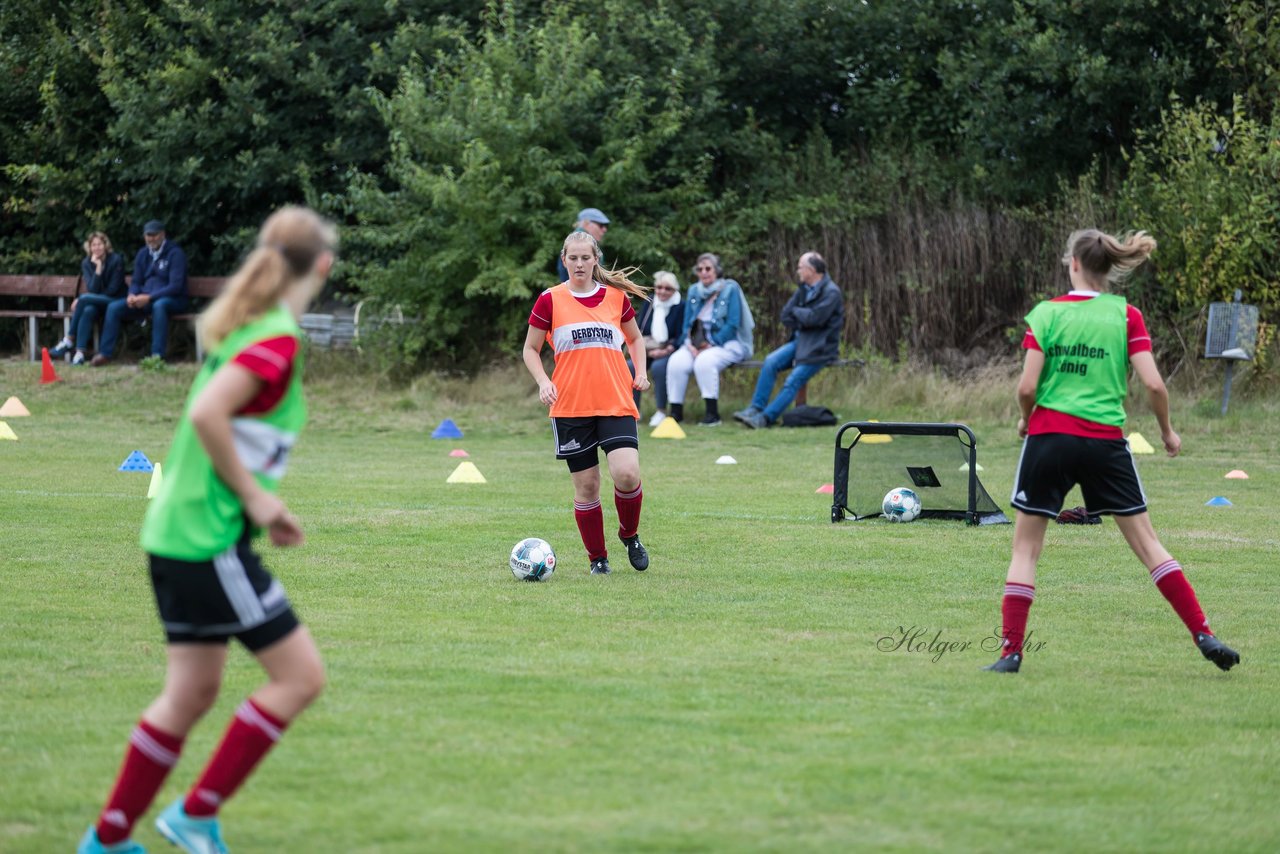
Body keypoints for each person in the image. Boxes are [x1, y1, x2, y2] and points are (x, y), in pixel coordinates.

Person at [78, 206, 336, 854]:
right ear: (323, 268)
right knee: (300, 678)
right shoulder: (273, 337)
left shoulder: (251, 326)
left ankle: (107, 841)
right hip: (206, 539)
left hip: (176, 533)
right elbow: (208, 415)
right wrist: (258, 501)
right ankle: (194, 816)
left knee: (191, 691)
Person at [985, 228, 1240, 674]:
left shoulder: (1046, 313)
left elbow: (1026, 387)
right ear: (1106, 267)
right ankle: (1203, 632)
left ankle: (1010, 653)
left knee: (1025, 552)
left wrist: (1027, 418)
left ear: (1074, 263)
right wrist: (1167, 432)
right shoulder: (1126, 315)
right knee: (1149, 546)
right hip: (1105, 441)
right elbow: (1155, 385)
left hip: (1050, 438)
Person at [524, 230, 652, 576]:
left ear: (596, 260)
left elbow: (636, 339)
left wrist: (640, 371)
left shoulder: (615, 298)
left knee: (626, 474)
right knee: (587, 485)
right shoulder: (549, 300)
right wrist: (543, 381)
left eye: (586, 257)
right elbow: (530, 349)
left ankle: (630, 535)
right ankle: (598, 559)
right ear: (564, 260)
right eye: (573, 258)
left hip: (615, 400)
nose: (579, 264)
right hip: (570, 407)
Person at [734, 252, 843, 429]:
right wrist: (803, 315)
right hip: (800, 343)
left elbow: (815, 318)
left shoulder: (832, 292)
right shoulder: (803, 290)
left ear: (812, 270)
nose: (798, 270)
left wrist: (799, 313)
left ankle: (766, 418)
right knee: (770, 361)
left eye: (800, 267)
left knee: (793, 381)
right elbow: (785, 315)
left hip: (819, 348)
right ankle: (755, 408)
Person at [664, 252, 754, 426]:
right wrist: (689, 344)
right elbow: (687, 323)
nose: (704, 272)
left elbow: (733, 324)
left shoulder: (730, 289)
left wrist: (710, 344)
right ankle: (675, 414)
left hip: (725, 342)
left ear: (716, 271)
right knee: (676, 362)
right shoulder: (693, 290)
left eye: (708, 268)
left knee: (704, 362)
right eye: (700, 269)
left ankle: (712, 416)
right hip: (696, 343)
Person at [91, 220, 190, 366]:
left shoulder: (175, 254)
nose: (151, 239)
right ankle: (105, 354)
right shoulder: (143, 254)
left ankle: (157, 357)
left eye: (154, 235)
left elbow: (175, 286)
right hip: (146, 300)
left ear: (163, 234)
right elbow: (136, 281)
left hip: (173, 300)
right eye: (148, 235)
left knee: (159, 305)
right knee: (114, 307)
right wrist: (132, 295)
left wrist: (149, 297)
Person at [49, 231, 126, 365]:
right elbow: (93, 289)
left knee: (83, 299)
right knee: (88, 310)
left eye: (100, 244)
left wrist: (88, 297)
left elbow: (113, 290)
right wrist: (98, 268)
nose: (97, 248)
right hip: (97, 303)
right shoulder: (87, 263)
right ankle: (79, 354)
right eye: (93, 245)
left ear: (105, 245)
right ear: (89, 248)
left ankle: (69, 339)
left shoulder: (116, 260)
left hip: (116, 301)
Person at [635, 270, 684, 426]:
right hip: (648, 349)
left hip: (669, 350)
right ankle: (633, 410)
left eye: (667, 288)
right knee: (630, 366)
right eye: (659, 287)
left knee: (658, 368)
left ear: (674, 290)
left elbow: (681, 335)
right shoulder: (649, 303)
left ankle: (661, 410)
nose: (662, 291)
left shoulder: (680, 306)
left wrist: (665, 350)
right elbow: (639, 329)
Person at [555, 207, 610, 282]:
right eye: (600, 225)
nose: (604, 229)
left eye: (586, 258)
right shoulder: (579, 242)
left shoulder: (580, 241)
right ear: (586, 223)